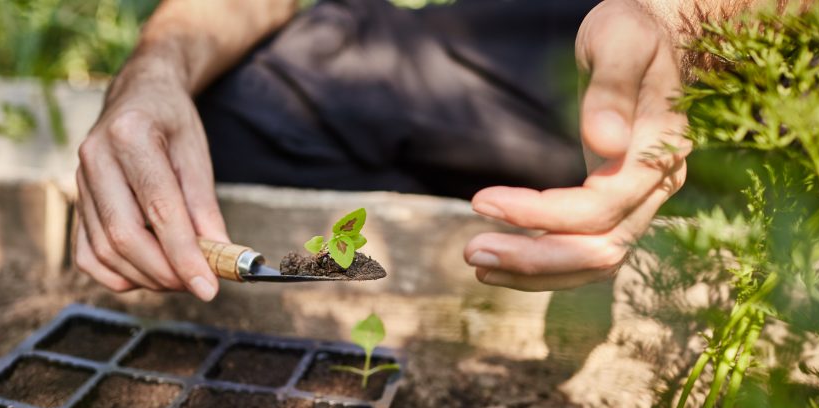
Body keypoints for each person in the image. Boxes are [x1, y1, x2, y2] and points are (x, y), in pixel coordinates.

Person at [74, 0, 709, 300]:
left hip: (711, 82)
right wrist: (152, 73)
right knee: (232, 105)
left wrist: (675, 29)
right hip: (510, 40)